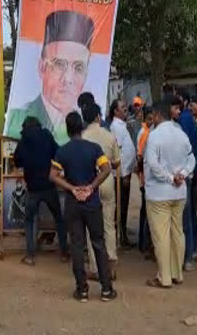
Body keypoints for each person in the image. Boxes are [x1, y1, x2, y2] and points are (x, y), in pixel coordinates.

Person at [50, 112, 117, 302]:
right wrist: (91, 186)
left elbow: (53, 175)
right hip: (92, 202)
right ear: (81, 127)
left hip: (73, 204)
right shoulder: (94, 148)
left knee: (77, 246)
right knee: (98, 244)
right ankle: (106, 289)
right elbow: (106, 169)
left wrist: (72, 188)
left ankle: (82, 290)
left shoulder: (62, 151)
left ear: (68, 130)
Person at [5, 10, 95, 143]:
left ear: (86, 74)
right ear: (42, 68)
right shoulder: (16, 120)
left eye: (78, 68)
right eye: (59, 64)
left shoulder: (89, 127)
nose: (68, 79)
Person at [143, 101, 196, 288]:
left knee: (161, 236)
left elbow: (152, 163)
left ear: (157, 115)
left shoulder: (154, 136)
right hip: (179, 192)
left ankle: (164, 278)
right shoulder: (181, 134)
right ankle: (177, 273)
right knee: (177, 233)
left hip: (159, 194)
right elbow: (191, 158)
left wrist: (169, 178)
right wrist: (183, 174)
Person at [13, 116, 68, 265]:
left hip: (33, 188)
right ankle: (64, 253)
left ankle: (30, 256)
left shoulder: (23, 140)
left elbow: (17, 160)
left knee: (29, 219)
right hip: (49, 185)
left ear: (25, 127)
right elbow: (57, 152)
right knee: (58, 218)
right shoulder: (46, 135)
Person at [81, 103, 122, 281]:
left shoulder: (83, 136)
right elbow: (116, 162)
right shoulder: (109, 135)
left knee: (92, 227)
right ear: (98, 116)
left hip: (90, 183)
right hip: (106, 182)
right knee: (108, 224)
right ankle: (111, 263)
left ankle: (96, 268)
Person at [177, 95, 197, 272]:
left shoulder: (184, 120)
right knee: (189, 212)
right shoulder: (188, 119)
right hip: (190, 171)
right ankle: (191, 250)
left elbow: (185, 149)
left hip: (184, 173)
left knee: (185, 215)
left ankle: (188, 252)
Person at [109, 99, 137, 248]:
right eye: (122, 107)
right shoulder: (116, 127)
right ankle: (120, 236)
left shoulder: (121, 125)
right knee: (121, 206)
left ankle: (123, 234)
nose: (125, 108)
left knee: (124, 205)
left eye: (125, 106)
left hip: (125, 173)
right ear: (115, 111)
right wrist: (124, 174)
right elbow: (118, 153)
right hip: (121, 174)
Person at [136, 106, 155, 256]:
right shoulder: (144, 133)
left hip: (146, 179)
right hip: (146, 180)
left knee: (145, 212)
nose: (152, 121)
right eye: (149, 118)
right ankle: (144, 245)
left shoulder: (148, 132)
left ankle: (143, 243)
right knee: (147, 214)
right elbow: (140, 158)